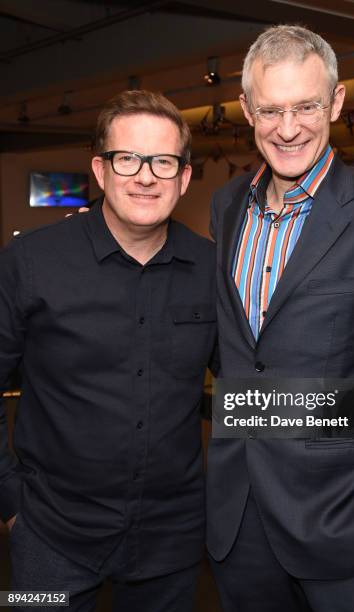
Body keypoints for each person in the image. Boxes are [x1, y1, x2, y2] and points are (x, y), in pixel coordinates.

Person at [207, 25, 354, 612]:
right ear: (246, 109)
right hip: (238, 519)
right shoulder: (226, 205)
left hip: (348, 520)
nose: (288, 129)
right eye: (271, 110)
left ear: (336, 102)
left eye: (307, 106)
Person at [0, 90, 217, 611]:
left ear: (184, 177)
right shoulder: (30, 262)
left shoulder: (213, 270)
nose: (146, 176)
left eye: (163, 161)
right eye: (128, 159)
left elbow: (255, 387)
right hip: (49, 538)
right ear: (101, 170)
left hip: (171, 541)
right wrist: (11, 505)